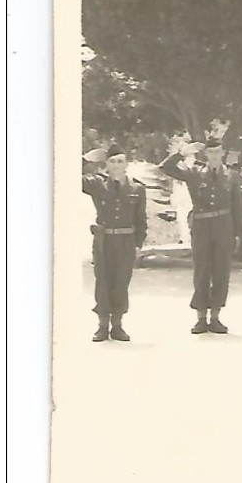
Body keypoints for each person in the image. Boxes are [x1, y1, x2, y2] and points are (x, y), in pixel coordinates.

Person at [159, 136, 242, 334]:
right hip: (202, 226)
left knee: (221, 271)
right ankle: (200, 317)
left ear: (223, 153)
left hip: (224, 226)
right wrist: (183, 152)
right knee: (202, 270)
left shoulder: (232, 176)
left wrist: (237, 233)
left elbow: (238, 206)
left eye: (218, 152)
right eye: (211, 152)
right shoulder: (194, 172)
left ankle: (215, 316)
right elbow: (165, 168)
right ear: (205, 154)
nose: (214, 156)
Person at [82, 144, 148, 342]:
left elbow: (141, 219)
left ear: (126, 164)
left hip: (126, 241)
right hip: (104, 241)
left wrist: (138, 244)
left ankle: (117, 325)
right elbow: (65, 175)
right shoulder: (96, 184)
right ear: (106, 165)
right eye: (112, 161)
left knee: (121, 281)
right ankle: (102, 326)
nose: (116, 165)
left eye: (120, 161)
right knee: (102, 281)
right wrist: (85, 160)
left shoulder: (137, 188)